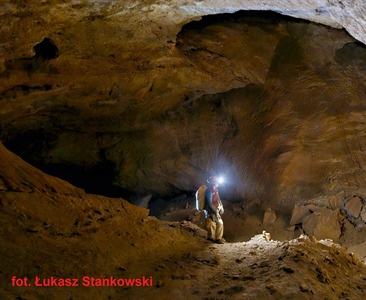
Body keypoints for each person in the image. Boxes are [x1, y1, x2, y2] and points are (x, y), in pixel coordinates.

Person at [204, 176, 226, 244]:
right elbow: (210, 203)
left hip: (216, 208)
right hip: (210, 210)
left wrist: (221, 206)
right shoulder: (209, 191)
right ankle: (212, 238)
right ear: (213, 183)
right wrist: (216, 212)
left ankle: (217, 238)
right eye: (217, 182)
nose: (218, 183)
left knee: (218, 222)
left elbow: (218, 198)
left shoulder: (215, 189)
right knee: (214, 223)